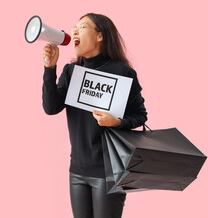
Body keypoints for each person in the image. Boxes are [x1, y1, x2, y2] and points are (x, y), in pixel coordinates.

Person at [41, 13, 147, 218]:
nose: (74, 31)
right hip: (77, 171)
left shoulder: (123, 73)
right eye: (74, 27)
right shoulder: (72, 72)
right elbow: (51, 107)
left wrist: (116, 122)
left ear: (100, 36)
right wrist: (49, 68)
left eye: (82, 27)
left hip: (109, 173)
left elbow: (140, 115)